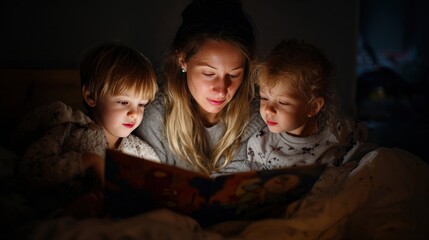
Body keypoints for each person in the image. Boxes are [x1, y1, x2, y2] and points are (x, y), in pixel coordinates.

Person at [16, 42, 160, 211]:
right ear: (91, 96)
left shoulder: (141, 152)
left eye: (141, 104)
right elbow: (28, 172)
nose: (134, 113)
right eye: (123, 102)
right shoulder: (67, 130)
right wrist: (89, 160)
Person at [135, 0, 265, 176]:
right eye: (209, 74)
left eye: (234, 75)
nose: (221, 90)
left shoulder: (259, 116)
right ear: (183, 61)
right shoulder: (155, 118)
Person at [247, 39, 373, 171]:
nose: (268, 109)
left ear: (313, 107)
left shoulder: (340, 129)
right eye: (264, 98)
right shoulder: (260, 145)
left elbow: (368, 151)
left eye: (282, 102)